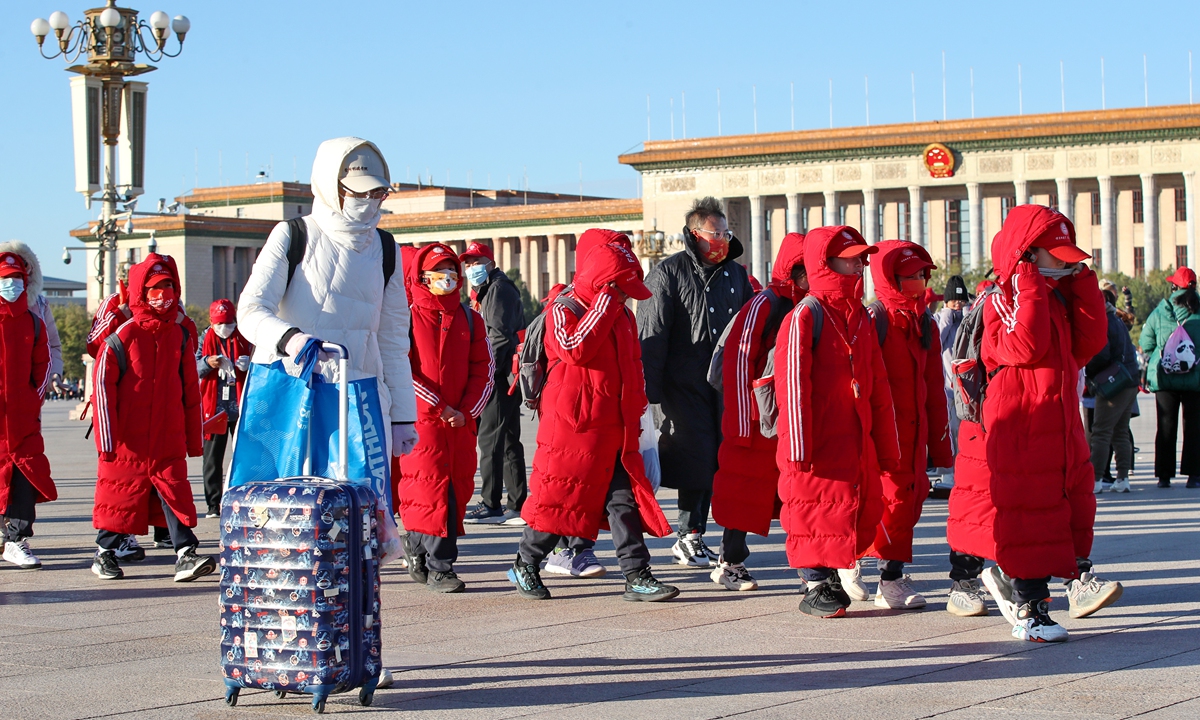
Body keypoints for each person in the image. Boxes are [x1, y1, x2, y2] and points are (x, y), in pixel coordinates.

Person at [950, 206, 1119, 642]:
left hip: (1058, 424)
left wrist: (1082, 284)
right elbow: (1023, 346)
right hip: (1022, 426)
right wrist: (1026, 281)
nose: (1066, 261)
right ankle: (1029, 608)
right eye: (1057, 254)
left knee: (1069, 508)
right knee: (1028, 515)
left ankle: (1049, 584)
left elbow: (1090, 344)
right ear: (1027, 254)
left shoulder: (1055, 296)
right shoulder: (1006, 295)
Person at [237, 137, 418, 488]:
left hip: (362, 397)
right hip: (294, 389)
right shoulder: (293, 235)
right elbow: (250, 310)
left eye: (376, 193)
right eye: (357, 192)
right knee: (290, 506)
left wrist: (402, 418)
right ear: (330, 186)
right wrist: (291, 340)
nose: (367, 202)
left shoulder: (386, 249)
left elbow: (394, 340)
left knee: (362, 515)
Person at [508, 232, 678, 602]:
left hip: (613, 427)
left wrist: (636, 414)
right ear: (604, 283)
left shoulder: (622, 316)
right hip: (574, 429)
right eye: (621, 288)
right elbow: (573, 348)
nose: (626, 296)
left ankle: (637, 574)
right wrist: (603, 304)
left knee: (624, 502)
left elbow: (633, 369)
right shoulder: (563, 308)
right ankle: (526, 561)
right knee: (560, 502)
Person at [773, 226, 900, 619]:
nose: (860, 264)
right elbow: (792, 383)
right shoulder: (804, 315)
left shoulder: (857, 314)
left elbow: (878, 381)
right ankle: (814, 580)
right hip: (816, 437)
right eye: (851, 257)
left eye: (863, 257)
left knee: (842, 508)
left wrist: (887, 444)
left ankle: (828, 576)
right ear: (825, 262)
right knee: (812, 506)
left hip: (853, 433)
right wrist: (797, 445)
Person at [637, 197, 754, 568]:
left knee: (718, 459)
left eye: (725, 233)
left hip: (723, 385)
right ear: (694, 234)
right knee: (695, 456)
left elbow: (750, 323)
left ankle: (695, 535)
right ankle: (688, 536)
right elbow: (651, 335)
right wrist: (647, 395)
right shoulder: (667, 273)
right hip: (681, 385)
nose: (721, 240)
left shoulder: (736, 274)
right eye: (714, 233)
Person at [90, 254, 215, 582]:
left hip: (166, 436)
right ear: (141, 293)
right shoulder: (122, 337)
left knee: (175, 492)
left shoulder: (180, 335)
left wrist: (193, 439)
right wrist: (107, 440)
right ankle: (104, 554)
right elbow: (102, 389)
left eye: (169, 287)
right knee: (119, 495)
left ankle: (186, 554)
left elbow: (190, 389)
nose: (164, 295)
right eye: (155, 289)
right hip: (127, 441)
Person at [709, 232, 807, 591]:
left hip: (791, 415)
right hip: (756, 417)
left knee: (799, 493)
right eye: (806, 270)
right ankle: (729, 561)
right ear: (792, 271)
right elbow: (737, 360)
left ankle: (813, 567)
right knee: (744, 492)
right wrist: (741, 420)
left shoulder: (810, 304)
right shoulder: (765, 303)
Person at [394, 243, 493, 593]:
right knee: (431, 487)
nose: (447, 280)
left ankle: (416, 544)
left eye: (452, 274)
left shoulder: (470, 317)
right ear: (422, 277)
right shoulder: (405, 316)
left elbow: (484, 368)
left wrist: (467, 411)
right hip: (422, 419)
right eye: (439, 274)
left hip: (460, 422)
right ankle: (442, 567)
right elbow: (400, 366)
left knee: (457, 489)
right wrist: (439, 407)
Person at [866, 241, 953, 609]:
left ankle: (881, 571)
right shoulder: (875, 319)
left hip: (914, 434)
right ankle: (889, 578)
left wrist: (940, 444)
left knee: (910, 502)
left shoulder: (924, 322)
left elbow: (935, 387)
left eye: (922, 274)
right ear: (891, 278)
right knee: (893, 502)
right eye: (911, 275)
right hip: (885, 434)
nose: (919, 281)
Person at [460, 241, 528, 526]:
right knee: (509, 440)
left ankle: (491, 503)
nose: (471, 268)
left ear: (489, 262)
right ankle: (517, 504)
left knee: (491, 441)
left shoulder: (497, 289)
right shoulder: (491, 288)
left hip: (497, 376)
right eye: (468, 263)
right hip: (503, 375)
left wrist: (485, 375)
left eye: (476, 262)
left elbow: (499, 337)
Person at [0, 251, 55, 569]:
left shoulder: (33, 322)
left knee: (24, 475)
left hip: (22, 419)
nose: (12, 284)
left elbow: (43, 363)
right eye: (5, 279)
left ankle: (17, 539)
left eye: (17, 278)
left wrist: (32, 399)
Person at [1139, 266, 1200, 489]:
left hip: (1165, 377)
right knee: (1194, 427)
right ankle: (1194, 475)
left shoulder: (1160, 311)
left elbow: (1146, 344)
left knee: (1165, 426)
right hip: (1195, 378)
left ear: (1173, 286)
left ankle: (1164, 476)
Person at [197, 299, 252, 517]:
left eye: (228, 323)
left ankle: (242, 496)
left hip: (238, 406)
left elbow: (260, 363)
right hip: (214, 407)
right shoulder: (205, 338)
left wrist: (249, 364)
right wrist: (206, 363)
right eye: (219, 324)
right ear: (211, 322)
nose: (224, 328)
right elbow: (193, 367)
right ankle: (213, 504)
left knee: (243, 454)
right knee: (212, 458)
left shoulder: (244, 337)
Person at [1085, 284, 1139, 494]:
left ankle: (1096, 479)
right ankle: (1123, 478)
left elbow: (1101, 354)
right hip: (1129, 379)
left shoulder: (1103, 321)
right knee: (1120, 431)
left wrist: (1088, 370)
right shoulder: (1116, 319)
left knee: (1100, 432)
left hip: (1112, 382)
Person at [0, 242, 63, 383]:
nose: (11, 279)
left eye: (22, 267)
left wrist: (53, 374)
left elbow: (52, 345)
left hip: (29, 394)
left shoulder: (40, 304)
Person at [932, 275, 972, 494]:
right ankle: (948, 471)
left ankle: (963, 470)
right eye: (954, 301)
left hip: (967, 386)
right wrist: (947, 316)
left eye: (961, 301)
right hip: (947, 387)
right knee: (950, 430)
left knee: (965, 431)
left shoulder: (965, 319)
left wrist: (967, 317)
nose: (958, 305)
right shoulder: (941, 319)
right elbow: (936, 342)